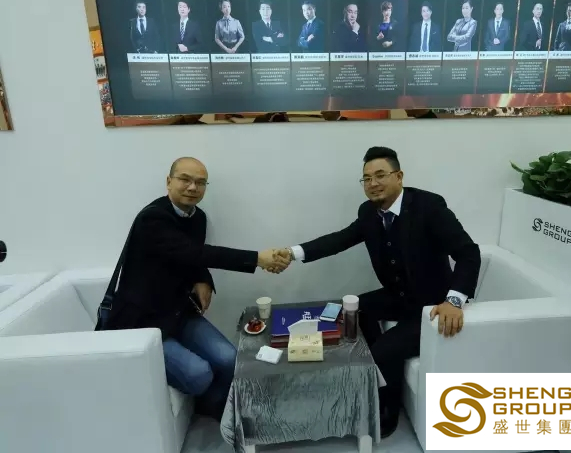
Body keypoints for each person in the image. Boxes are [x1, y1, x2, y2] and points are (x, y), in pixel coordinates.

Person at [274, 147, 480, 437]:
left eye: (380, 175)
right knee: (352, 310)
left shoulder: (429, 207)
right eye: (367, 178)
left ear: (399, 176)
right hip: (399, 296)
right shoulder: (368, 212)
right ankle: (376, 367)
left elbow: (469, 253)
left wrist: (454, 301)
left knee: (384, 350)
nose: (373, 183)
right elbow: (340, 239)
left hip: (431, 306)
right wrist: (293, 252)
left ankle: (387, 409)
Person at [102, 157, 288, 420]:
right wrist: (258, 258)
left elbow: (191, 257)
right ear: (169, 182)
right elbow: (191, 251)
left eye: (200, 182)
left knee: (229, 359)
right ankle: (223, 409)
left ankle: (221, 409)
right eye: (185, 179)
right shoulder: (152, 219)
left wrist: (203, 278)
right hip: (142, 322)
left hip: (178, 313)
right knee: (199, 374)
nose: (192, 187)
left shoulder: (197, 217)